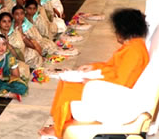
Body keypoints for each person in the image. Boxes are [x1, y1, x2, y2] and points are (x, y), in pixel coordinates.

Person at [39, 8, 149, 138]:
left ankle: (58, 129)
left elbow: (121, 82)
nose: (115, 32)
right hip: (109, 86)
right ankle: (58, 123)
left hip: (117, 95)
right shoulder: (133, 46)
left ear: (123, 30)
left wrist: (92, 82)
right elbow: (111, 67)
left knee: (70, 87)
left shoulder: (134, 52)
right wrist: (92, 67)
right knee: (67, 82)